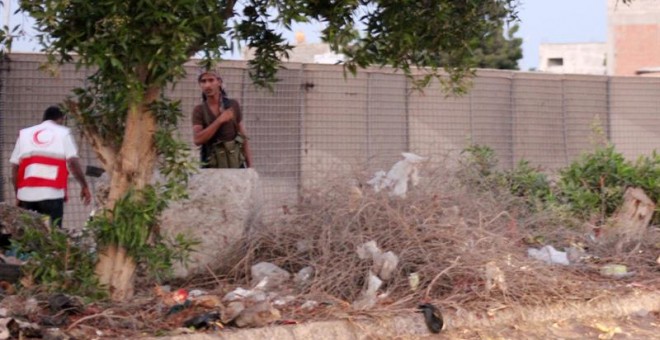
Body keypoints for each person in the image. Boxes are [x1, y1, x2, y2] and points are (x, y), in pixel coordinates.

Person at [10, 106, 92, 228]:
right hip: (52, 192)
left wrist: (18, 194)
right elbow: (73, 162)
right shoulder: (63, 133)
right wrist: (84, 186)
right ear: (61, 119)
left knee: (30, 236)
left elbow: (14, 168)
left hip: (27, 194)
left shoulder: (25, 134)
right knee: (54, 234)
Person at [192, 69, 253, 168]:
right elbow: (197, 140)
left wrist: (250, 167)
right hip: (211, 168)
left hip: (235, 165)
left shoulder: (233, 105)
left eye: (211, 80)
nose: (207, 85)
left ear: (219, 82)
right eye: (203, 81)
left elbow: (243, 137)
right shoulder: (199, 110)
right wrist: (220, 120)